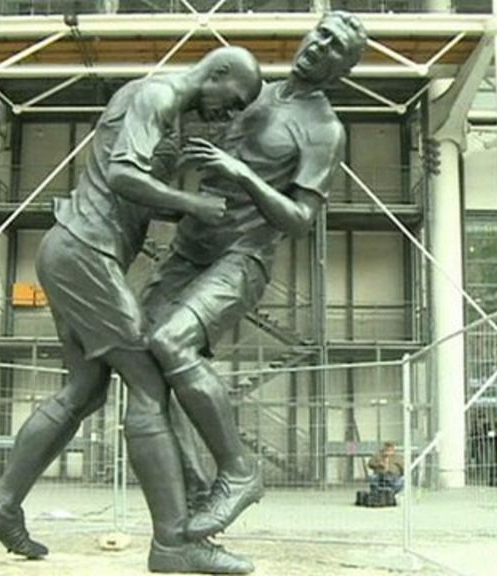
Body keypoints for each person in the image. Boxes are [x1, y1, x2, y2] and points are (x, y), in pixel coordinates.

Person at [0, 46, 263, 574]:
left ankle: (1, 504)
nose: (230, 113)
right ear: (217, 74)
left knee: (84, 389)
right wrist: (194, 204)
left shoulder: (166, 114)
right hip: (85, 254)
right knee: (150, 383)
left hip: (72, 251)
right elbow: (125, 175)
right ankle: (174, 543)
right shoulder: (157, 94)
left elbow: (130, 193)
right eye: (234, 99)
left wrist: (180, 199)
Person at [141, 11, 368, 538]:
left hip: (242, 258)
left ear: (342, 69)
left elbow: (300, 219)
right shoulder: (257, 90)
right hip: (189, 247)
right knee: (142, 361)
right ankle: (197, 488)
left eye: (334, 47)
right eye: (320, 35)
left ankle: (240, 472)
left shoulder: (324, 129)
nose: (318, 47)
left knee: (172, 343)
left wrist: (242, 174)